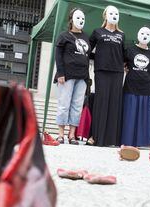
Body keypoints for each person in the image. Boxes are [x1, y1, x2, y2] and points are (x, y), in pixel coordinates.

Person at [89, 5, 126, 147]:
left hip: (117, 73)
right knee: (101, 102)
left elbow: (124, 55)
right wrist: (98, 57)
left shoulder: (121, 35)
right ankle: (96, 136)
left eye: (116, 13)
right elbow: (87, 49)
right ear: (105, 15)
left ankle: (112, 139)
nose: (114, 15)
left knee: (114, 104)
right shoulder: (97, 32)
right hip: (102, 71)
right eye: (111, 13)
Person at [54, 8, 90, 145]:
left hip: (82, 77)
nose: (81, 21)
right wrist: (61, 73)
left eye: (83, 19)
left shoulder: (86, 37)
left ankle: (72, 135)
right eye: (78, 18)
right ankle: (61, 134)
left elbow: (89, 54)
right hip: (67, 75)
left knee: (77, 105)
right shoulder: (64, 36)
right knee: (64, 104)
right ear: (71, 19)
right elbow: (58, 56)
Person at [120, 27, 150, 147]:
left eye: (148, 33)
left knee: (142, 117)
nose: (145, 36)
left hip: (145, 88)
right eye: (142, 33)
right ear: (138, 34)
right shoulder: (130, 49)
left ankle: (142, 142)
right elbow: (123, 63)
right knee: (130, 115)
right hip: (131, 86)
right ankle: (127, 141)